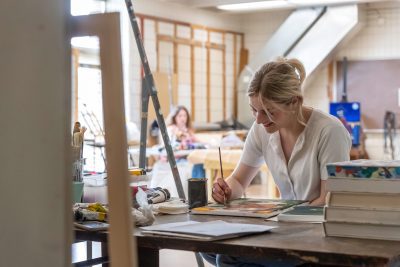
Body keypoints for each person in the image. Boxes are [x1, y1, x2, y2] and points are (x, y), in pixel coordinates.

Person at [202, 58, 351, 267]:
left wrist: (276, 215)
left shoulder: (329, 131)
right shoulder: (261, 130)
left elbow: (328, 201)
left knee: (227, 257)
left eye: (269, 111)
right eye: (254, 110)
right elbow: (238, 180)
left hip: (319, 233)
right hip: (286, 227)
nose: (259, 119)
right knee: (207, 248)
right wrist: (226, 190)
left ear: (294, 101)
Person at [151, 105, 205, 197]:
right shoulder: (171, 129)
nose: (183, 118)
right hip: (174, 160)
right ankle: (191, 195)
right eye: (180, 116)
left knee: (200, 164)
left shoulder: (188, 130)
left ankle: (199, 194)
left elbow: (199, 141)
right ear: (175, 117)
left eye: (184, 116)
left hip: (186, 158)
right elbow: (169, 145)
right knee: (187, 170)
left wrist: (208, 144)